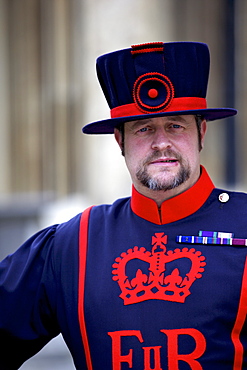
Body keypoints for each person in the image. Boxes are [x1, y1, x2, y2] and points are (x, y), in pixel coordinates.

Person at [0, 41, 245, 370]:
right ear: (121, 141)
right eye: (144, 129)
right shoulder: (72, 244)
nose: (161, 143)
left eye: (176, 125)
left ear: (201, 132)